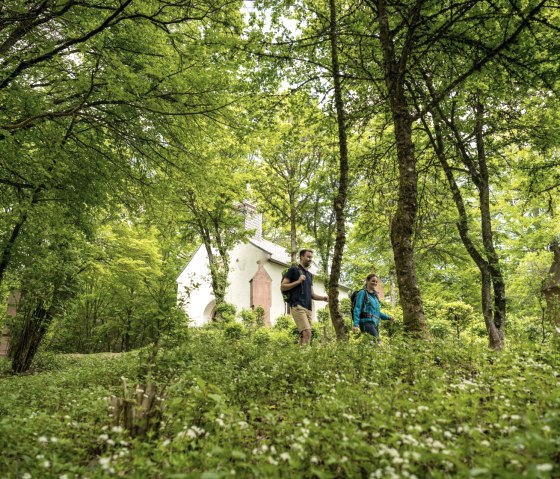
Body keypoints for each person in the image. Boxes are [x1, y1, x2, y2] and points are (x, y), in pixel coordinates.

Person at [281, 249, 328, 345]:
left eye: (311, 257)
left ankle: (300, 357)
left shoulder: (309, 275)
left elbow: (312, 295)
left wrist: (323, 298)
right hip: (297, 306)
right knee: (307, 332)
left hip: (308, 309)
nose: (310, 259)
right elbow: (283, 286)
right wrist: (298, 281)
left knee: (304, 336)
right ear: (302, 257)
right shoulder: (293, 270)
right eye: (308, 257)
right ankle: (307, 357)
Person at [352, 273, 394, 342]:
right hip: (366, 322)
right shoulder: (362, 293)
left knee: (371, 345)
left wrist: (388, 317)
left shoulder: (375, 296)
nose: (375, 283)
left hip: (374, 324)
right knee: (378, 342)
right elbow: (357, 308)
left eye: (376, 282)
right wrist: (356, 324)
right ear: (367, 281)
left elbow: (378, 313)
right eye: (373, 281)